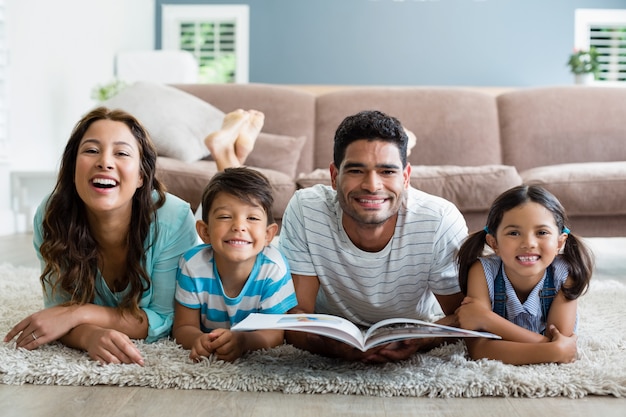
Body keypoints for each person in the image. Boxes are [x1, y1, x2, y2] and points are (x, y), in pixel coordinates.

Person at [3, 107, 199, 365]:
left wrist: (77, 314)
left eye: (121, 153)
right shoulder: (51, 215)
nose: (105, 162)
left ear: (141, 176)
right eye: (91, 150)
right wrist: (89, 335)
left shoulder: (173, 218)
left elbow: (164, 318)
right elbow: (58, 310)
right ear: (73, 168)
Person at [278, 110, 469, 363]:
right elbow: (296, 314)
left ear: (406, 177)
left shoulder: (439, 219)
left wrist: (422, 339)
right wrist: (327, 346)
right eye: (357, 171)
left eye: (387, 172)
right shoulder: (306, 208)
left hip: (415, 320)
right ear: (334, 177)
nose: (372, 185)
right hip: (331, 328)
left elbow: (464, 315)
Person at [455, 185, 594, 365]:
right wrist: (554, 350)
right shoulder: (482, 271)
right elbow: (479, 349)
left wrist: (488, 319)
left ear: (560, 242)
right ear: (493, 242)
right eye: (514, 233)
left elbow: (560, 339)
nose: (529, 243)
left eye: (542, 233)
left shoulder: (565, 273)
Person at [172, 167, 298, 362]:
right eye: (225, 216)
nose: (239, 226)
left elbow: (275, 334)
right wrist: (199, 339)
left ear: (268, 235)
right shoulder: (192, 265)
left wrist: (244, 341)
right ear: (204, 232)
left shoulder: (273, 269)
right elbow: (182, 327)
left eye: (252, 218)